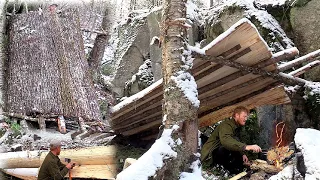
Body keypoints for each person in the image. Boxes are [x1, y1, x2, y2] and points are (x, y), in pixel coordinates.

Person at [201, 106, 261, 174]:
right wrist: (246, 147)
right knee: (226, 148)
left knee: (237, 150)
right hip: (210, 156)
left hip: (219, 153)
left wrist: (242, 154)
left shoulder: (236, 126)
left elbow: (236, 141)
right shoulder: (226, 125)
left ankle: (237, 171)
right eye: (244, 116)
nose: (246, 119)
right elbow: (226, 141)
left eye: (246, 117)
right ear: (236, 115)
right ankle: (221, 170)